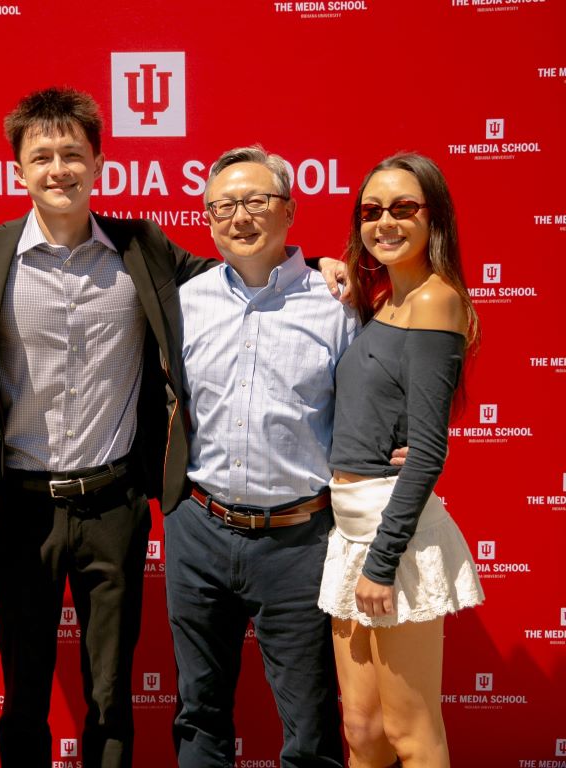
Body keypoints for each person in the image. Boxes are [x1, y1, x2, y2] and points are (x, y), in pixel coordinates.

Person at [0, 88, 346, 768]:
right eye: (42, 156)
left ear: (99, 161)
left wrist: (323, 267)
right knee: (23, 694)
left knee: (110, 696)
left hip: (114, 506)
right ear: (18, 170)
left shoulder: (142, 247)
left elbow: (239, 272)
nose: (58, 168)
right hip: (16, 511)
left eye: (73, 153)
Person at [164, 146, 359, 768]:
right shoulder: (184, 303)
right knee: (199, 713)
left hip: (300, 542)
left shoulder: (339, 304)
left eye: (255, 201)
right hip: (198, 528)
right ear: (208, 218)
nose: (239, 217)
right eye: (223, 205)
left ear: (289, 211)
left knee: (310, 725)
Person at [317, 153, 485, 768]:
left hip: (395, 537)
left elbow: (429, 449)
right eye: (371, 211)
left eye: (403, 208)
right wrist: (325, 265)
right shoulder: (386, 299)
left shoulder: (436, 301)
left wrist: (383, 563)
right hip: (350, 527)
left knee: (412, 734)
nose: (384, 222)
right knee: (362, 730)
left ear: (434, 217)